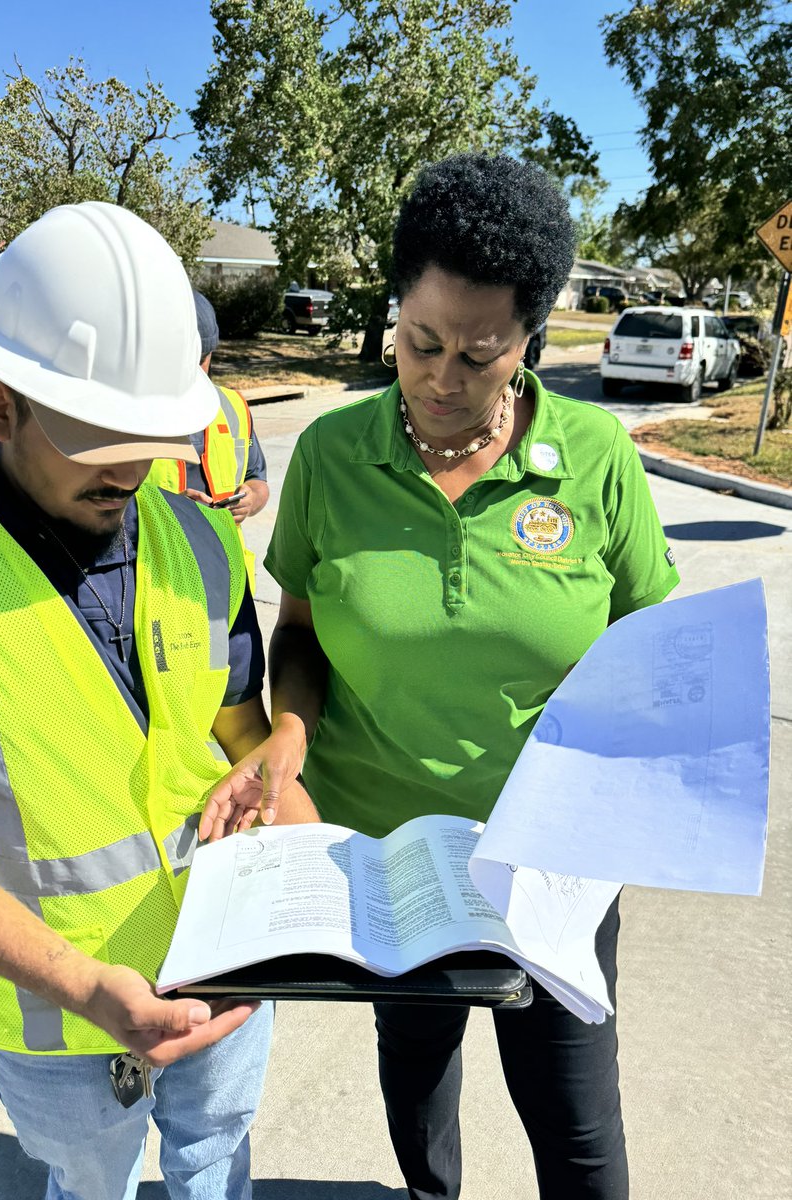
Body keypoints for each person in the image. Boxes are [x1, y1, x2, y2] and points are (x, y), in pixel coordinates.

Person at [201, 154, 680, 1198]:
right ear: (396, 310)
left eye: (484, 353)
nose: (445, 377)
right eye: (423, 342)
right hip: (384, 861)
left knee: (575, 1116)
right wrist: (287, 734)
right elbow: (302, 629)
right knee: (416, 1081)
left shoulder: (597, 456)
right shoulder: (334, 454)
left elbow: (652, 641)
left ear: (531, 340)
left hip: (549, 858)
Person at [0, 201, 316, 1200]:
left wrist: (318, 888)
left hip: (222, 978)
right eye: (99, 438)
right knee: (92, 1185)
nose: (131, 467)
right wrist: (84, 986)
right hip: (56, 1016)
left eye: (150, 436)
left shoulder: (203, 543)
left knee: (216, 1161)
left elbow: (238, 732)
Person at [149, 291, 269, 592]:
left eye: (198, 363)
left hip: (229, 584)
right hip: (161, 583)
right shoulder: (132, 414)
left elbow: (257, 479)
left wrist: (250, 501)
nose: (190, 375)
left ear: (211, 353)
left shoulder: (234, 408)